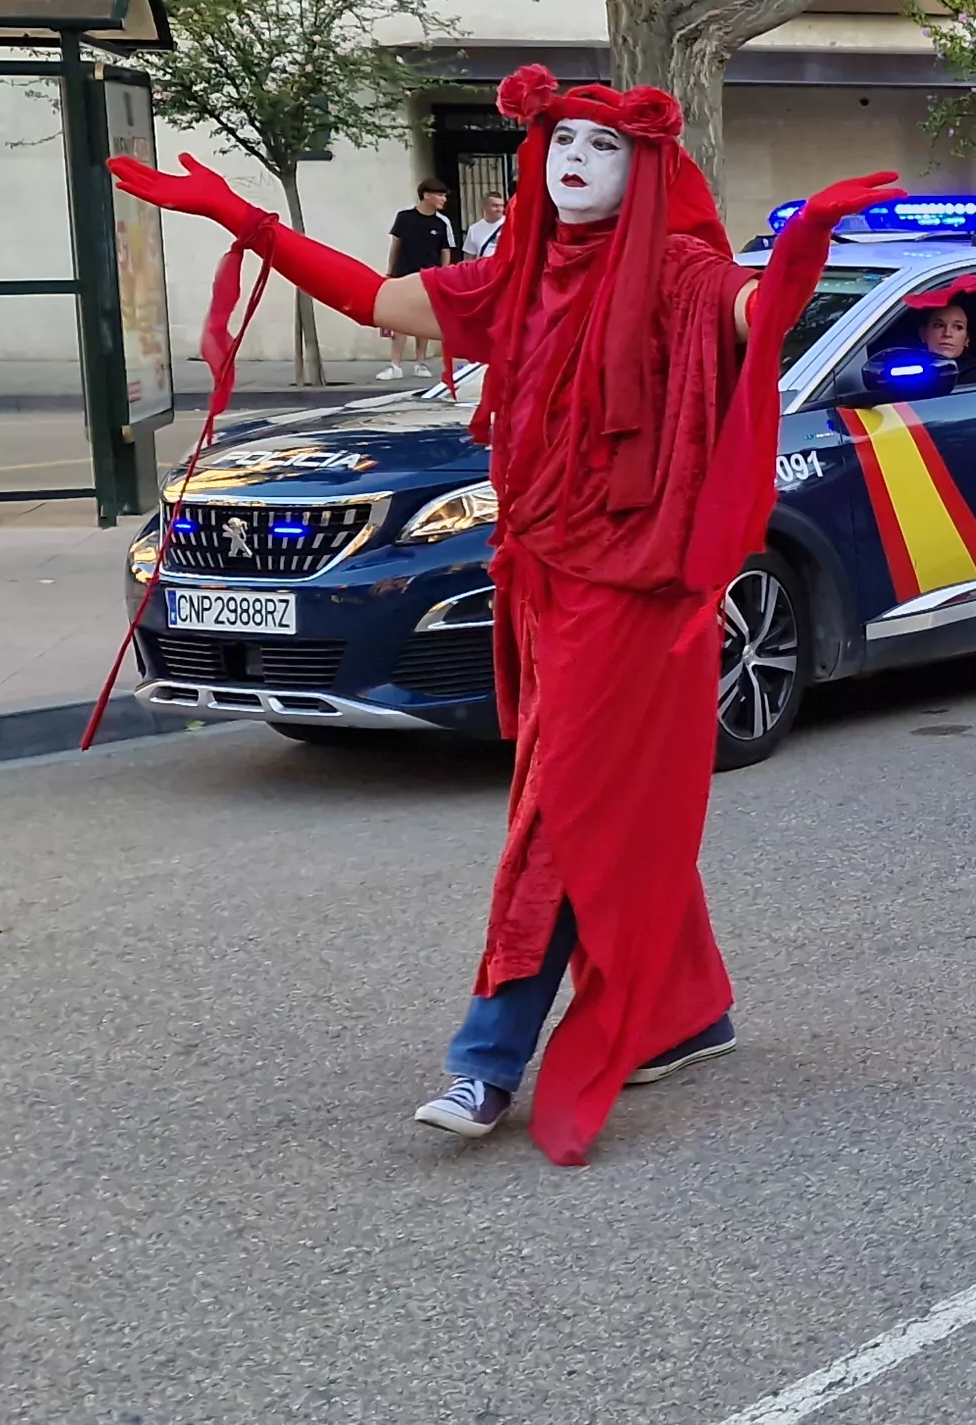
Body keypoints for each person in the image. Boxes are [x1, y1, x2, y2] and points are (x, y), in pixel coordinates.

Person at [111, 68, 904, 1163]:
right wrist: (246, 222)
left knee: (560, 809)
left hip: (636, 594)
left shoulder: (681, 271)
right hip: (538, 578)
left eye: (605, 146)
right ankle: (690, 1010)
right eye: (562, 139)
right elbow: (374, 301)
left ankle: (487, 1057)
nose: (576, 158)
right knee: (607, 805)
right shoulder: (513, 276)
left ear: (646, 167)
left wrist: (808, 240)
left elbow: (757, 314)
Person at [381, 181, 459, 379]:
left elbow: (445, 250)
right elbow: (395, 244)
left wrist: (444, 275)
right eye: (439, 195)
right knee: (399, 320)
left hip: (429, 277)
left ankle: (420, 363)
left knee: (421, 319)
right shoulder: (404, 217)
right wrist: (390, 272)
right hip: (404, 274)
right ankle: (395, 365)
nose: (443, 199)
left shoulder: (442, 222)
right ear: (426, 195)